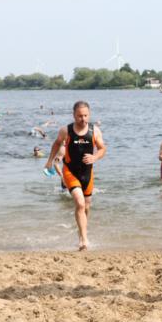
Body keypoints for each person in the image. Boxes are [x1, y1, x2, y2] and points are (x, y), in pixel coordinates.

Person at [45, 101, 106, 251]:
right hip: (70, 171)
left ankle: (81, 233)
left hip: (87, 173)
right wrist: (49, 161)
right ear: (74, 115)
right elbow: (56, 144)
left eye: (85, 115)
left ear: (89, 114)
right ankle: (84, 240)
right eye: (79, 116)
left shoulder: (95, 131)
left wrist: (95, 157)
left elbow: (102, 148)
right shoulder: (66, 130)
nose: (83, 119)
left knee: (86, 206)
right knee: (79, 203)